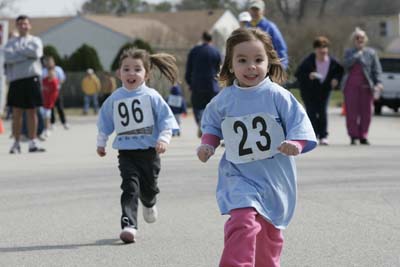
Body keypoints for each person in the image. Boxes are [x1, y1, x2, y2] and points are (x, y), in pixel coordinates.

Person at [196, 28, 317, 267]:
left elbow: (300, 125)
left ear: (269, 62)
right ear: (230, 65)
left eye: (258, 60)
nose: (251, 66)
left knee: (269, 237)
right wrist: (207, 146)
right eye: (242, 60)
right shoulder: (223, 100)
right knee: (242, 220)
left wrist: (296, 144)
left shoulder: (278, 96)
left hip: (273, 177)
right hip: (238, 174)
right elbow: (211, 126)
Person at [96, 48, 179, 244]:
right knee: (129, 187)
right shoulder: (115, 98)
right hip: (126, 153)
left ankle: (149, 203)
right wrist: (101, 142)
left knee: (149, 189)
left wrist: (164, 139)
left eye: (137, 69)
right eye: (126, 69)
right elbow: (105, 122)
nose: (131, 73)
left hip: (149, 153)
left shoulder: (152, 96)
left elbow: (166, 120)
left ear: (146, 74)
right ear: (119, 73)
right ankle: (129, 225)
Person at [4, 15, 45, 153]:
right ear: (17, 26)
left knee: (32, 111)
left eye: (25, 23)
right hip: (16, 80)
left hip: (31, 79)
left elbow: (36, 53)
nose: (23, 26)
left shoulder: (36, 40)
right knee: (17, 113)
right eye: (20, 24)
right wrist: (26, 54)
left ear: (29, 25)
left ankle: (33, 142)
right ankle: (16, 143)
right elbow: (8, 56)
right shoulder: (10, 43)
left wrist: (18, 53)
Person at [295, 36, 344, 145]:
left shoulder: (333, 62)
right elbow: (298, 74)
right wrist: (309, 75)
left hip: (325, 90)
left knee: (322, 112)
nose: (322, 50)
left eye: (324, 47)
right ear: (315, 49)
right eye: (319, 48)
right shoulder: (308, 61)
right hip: (309, 91)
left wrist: (336, 80)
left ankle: (323, 136)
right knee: (311, 113)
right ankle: (313, 135)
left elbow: (340, 71)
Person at [342, 27, 383, 145]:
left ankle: (363, 136)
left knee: (367, 112)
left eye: (362, 38)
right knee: (351, 113)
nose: (360, 40)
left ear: (365, 40)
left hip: (366, 87)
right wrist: (356, 55)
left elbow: (377, 69)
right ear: (353, 40)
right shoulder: (348, 52)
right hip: (350, 86)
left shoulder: (371, 53)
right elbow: (344, 65)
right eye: (357, 38)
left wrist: (379, 82)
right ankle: (353, 136)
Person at [185, 31, 221, 137]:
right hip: (212, 85)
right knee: (212, 108)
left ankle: (201, 121)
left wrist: (189, 82)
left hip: (197, 84)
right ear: (211, 39)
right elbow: (219, 69)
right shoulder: (216, 52)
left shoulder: (194, 51)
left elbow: (189, 69)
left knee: (197, 107)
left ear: (202, 38)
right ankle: (209, 127)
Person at [247, 0, 289, 69]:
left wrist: (282, 67)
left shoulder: (270, 27)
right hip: (250, 67)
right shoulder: (246, 27)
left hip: (268, 68)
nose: (254, 12)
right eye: (252, 9)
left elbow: (281, 49)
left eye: (257, 9)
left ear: (263, 11)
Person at [42, 56, 68, 130]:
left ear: (53, 62)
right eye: (47, 62)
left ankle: (64, 122)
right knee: (51, 108)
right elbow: (43, 82)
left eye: (50, 62)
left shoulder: (58, 69)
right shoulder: (43, 71)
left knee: (60, 107)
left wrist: (56, 83)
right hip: (47, 93)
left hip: (56, 91)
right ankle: (52, 123)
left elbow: (62, 79)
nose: (49, 63)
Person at [41, 69, 59, 138]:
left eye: (52, 73)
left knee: (47, 116)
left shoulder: (54, 82)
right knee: (43, 116)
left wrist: (51, 102)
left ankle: (47, 130)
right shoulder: (44, 80)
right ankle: (42, 129)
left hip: (49, 102)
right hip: (42, 102)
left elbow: (55, 93)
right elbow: (41, 89)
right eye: (49, 73)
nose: (50, 74)